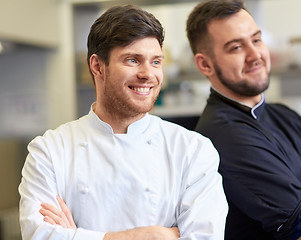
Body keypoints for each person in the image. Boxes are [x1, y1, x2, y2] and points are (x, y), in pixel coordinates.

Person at [18, 4, 228, 240]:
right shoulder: (49, 151)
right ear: (98, 66)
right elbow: (39, 235)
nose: (148, 74)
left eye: (156, 62)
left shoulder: (192, 150)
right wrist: (151, 235)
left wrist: (75, 235)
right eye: (132, 60)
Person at [186, 0, 301, 239]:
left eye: (256, 40)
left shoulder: (281, 113)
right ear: (205, 64)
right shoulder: (225, 136)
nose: (255, 54)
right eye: (236, 47)